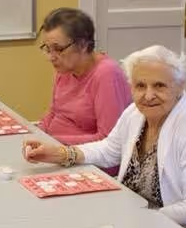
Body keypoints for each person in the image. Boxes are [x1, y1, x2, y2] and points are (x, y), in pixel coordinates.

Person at [24, 45, 186, 228]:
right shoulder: (135, 113)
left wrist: (138, 218)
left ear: (180, 86)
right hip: (132, 222)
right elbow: (109, 149)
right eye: (140, 86)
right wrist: (64, 154)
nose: (149, 95)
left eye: (159, 85)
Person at [36, 8, 130, 145]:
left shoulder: (107, 74)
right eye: (48, 48)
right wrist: (36, 134)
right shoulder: (65, 69)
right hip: (57, 150)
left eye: (58, 49)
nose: (51, 57)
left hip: (87, 160)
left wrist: (54, 143)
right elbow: (53, 113)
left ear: (83, 45)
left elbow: (109, 140)